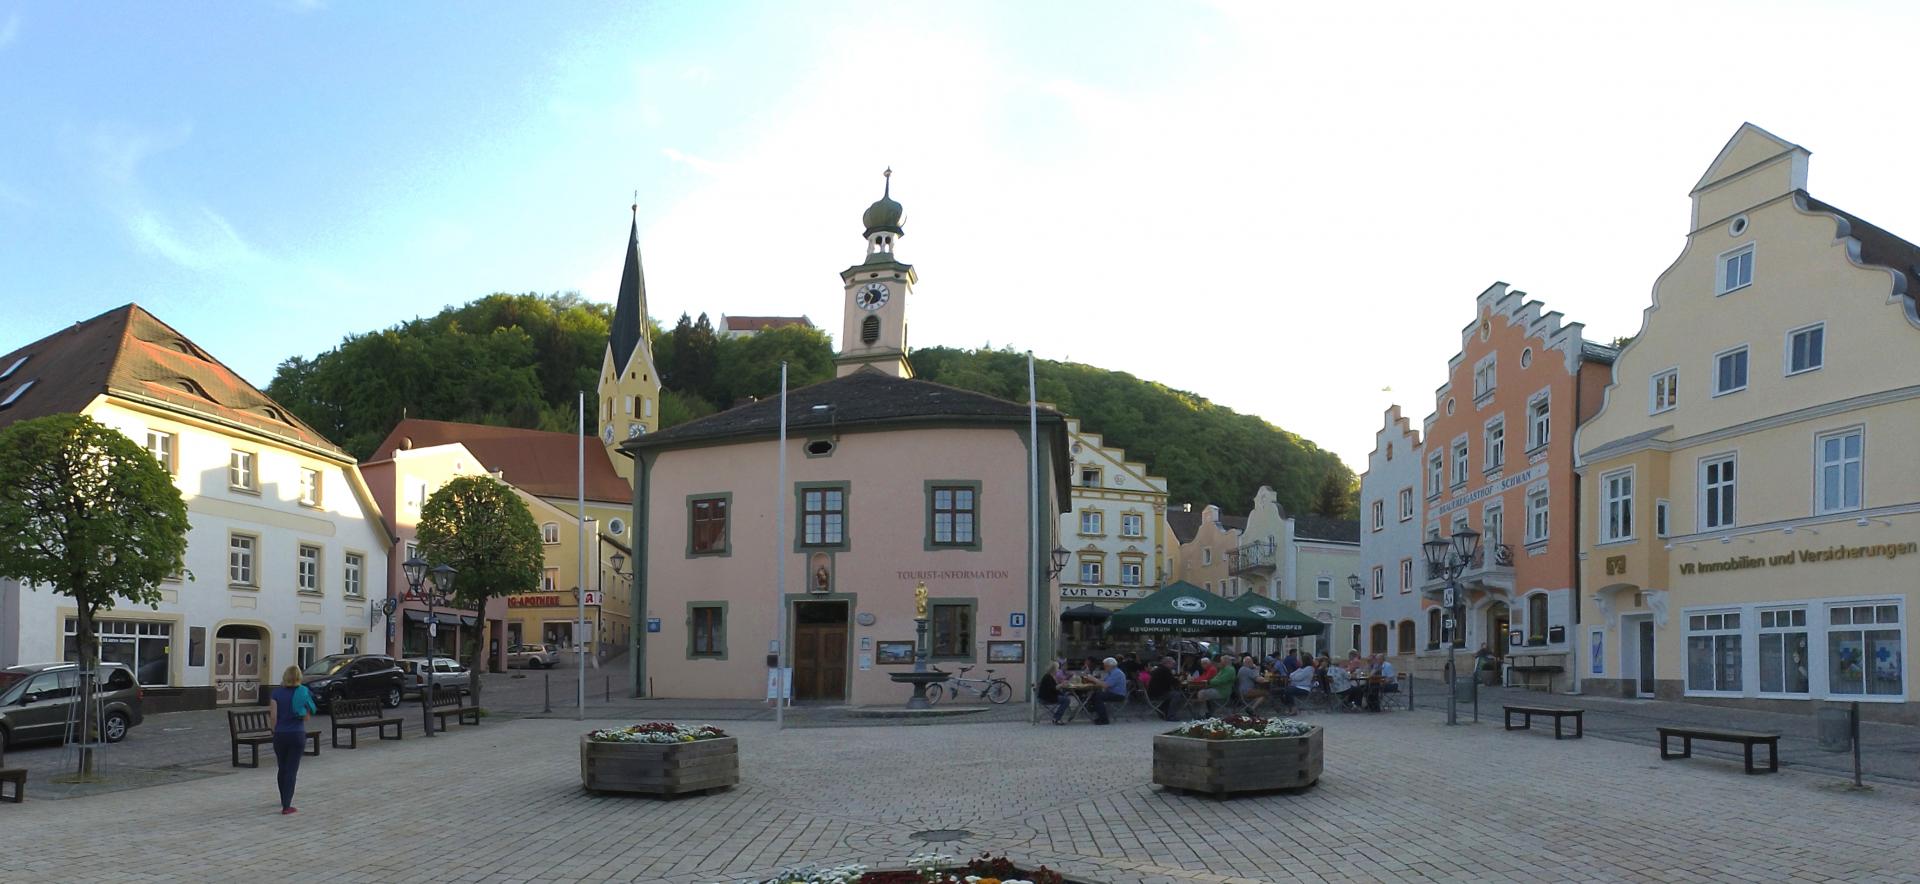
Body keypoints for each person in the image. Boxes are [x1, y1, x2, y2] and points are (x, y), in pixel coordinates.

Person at [267, 665, 316, 815]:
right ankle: (287, 806)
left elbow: (273, 716)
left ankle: (283, 798)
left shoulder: (276, 693)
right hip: (297, 734)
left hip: (280, 735)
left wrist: (274, 730)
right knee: (291, 770)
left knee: (282, 767)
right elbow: (307, 717)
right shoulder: (303, 693)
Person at [1088, 657, 1128, 725]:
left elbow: (1105, 685)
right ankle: (1096, 712)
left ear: (1110, 666)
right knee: (1094, 694)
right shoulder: (1112, 673)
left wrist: (1094, 679)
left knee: (1098, 696)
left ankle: (1104, 719)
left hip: (1118, 695)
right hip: (1113, 693)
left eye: (1105, 665)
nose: (1104, 667)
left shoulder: (1116, 673)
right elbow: (1103, 682)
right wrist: (1096, 680)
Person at [1147, 656, 1179, 721]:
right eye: (1172, 664)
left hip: (1153, 692)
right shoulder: (1165, 670)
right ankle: (1171, 716)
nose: (1173, 666)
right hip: (1158, 694)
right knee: (1176, 695)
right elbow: (1172, 682)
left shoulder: (1159, 669)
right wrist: (1179, 680)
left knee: (1172, 694)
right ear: (1167, 663)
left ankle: (1161, 710)